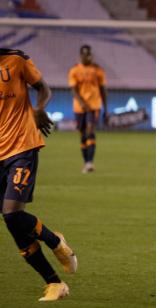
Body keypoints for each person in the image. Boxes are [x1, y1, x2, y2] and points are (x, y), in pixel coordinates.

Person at [0, 48, 77, 301]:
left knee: (12, 212)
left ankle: (55, 242)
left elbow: (43, 88)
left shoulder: (16, 59)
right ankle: (55, 283)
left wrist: (39, 108)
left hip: (23, 146)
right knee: (12, 223)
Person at [68, 45, 108, 173]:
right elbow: (73, 90)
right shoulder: (74, 70)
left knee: (90, 131)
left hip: (94, 105)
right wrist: (81, 102)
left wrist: (106, 108)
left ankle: (90, 163)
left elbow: (103, 90)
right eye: (86, 55)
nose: (89, 57)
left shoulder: (98, 70)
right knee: (82, 134)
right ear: (81, 56)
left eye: (90, 54)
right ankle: (86, 162)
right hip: (79, 107)